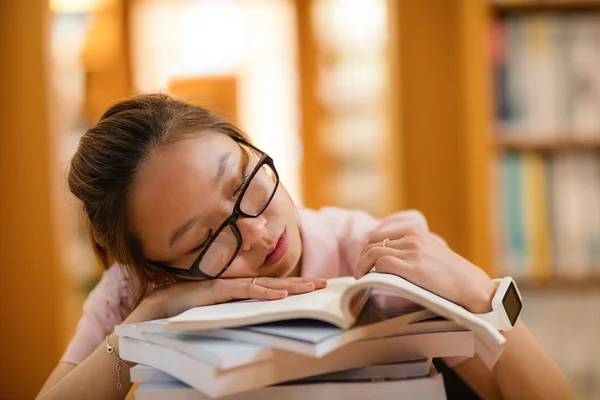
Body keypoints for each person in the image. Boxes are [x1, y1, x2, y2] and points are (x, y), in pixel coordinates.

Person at [37, 94, 572, 400]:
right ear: (159, 268)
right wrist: (144, 326)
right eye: (205, 240)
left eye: (245, 182)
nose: (259, 234)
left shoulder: (373, 254)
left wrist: (480, 293)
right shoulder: (136, 291)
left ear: (252, 148)